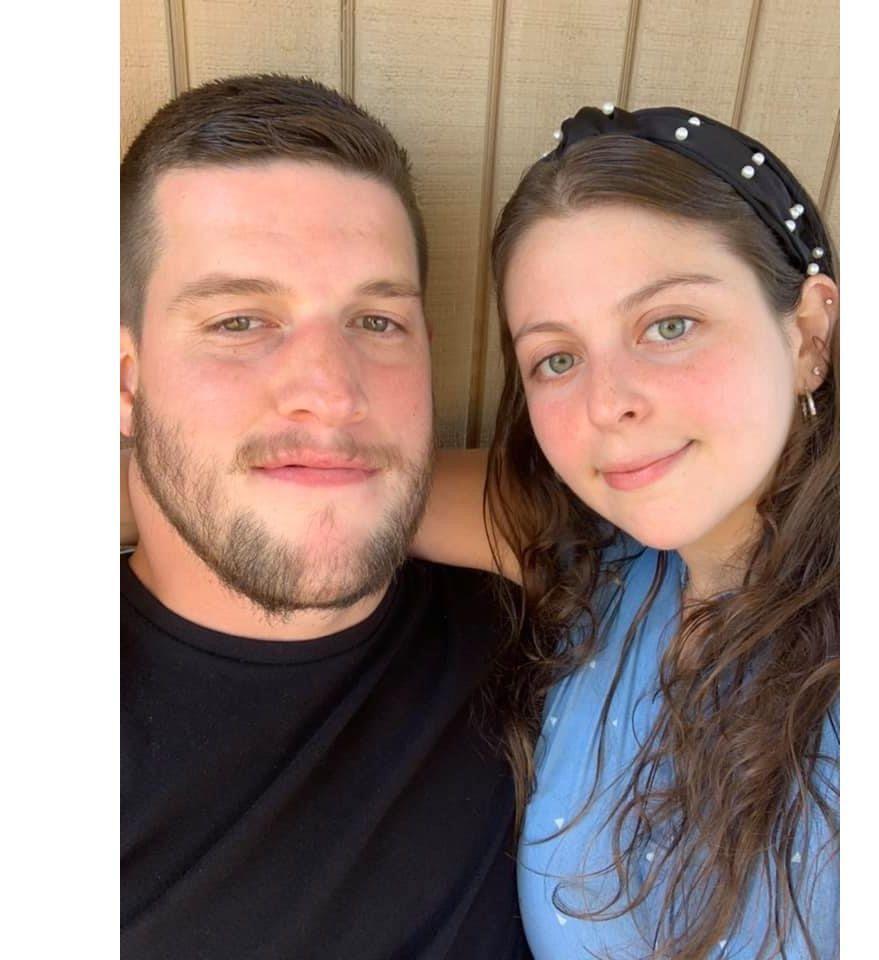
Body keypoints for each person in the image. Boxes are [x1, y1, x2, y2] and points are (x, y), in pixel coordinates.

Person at [120, 100, 839, 957]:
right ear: (124, 381)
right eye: (557, 358)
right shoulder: (599, 569)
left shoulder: (532, 594)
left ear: (810, 334)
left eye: (669, 325)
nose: (610, 403)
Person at [119, 74, 531, 960]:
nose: (333, 393)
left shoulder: (539, 624)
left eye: (377, 322)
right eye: (240, 320)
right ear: (124, 380)